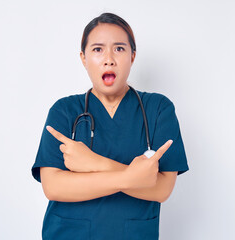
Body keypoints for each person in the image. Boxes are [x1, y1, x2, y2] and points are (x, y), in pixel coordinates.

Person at [31, 12, 189, 240]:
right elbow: (54, 187)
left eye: (119, 48)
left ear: (133, 56)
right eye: (97, 49)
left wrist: (93, 162)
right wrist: (133, 177)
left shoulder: (158, 109)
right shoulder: (64, 111)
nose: (109, 59)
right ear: (83, 58)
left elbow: (162, 190)